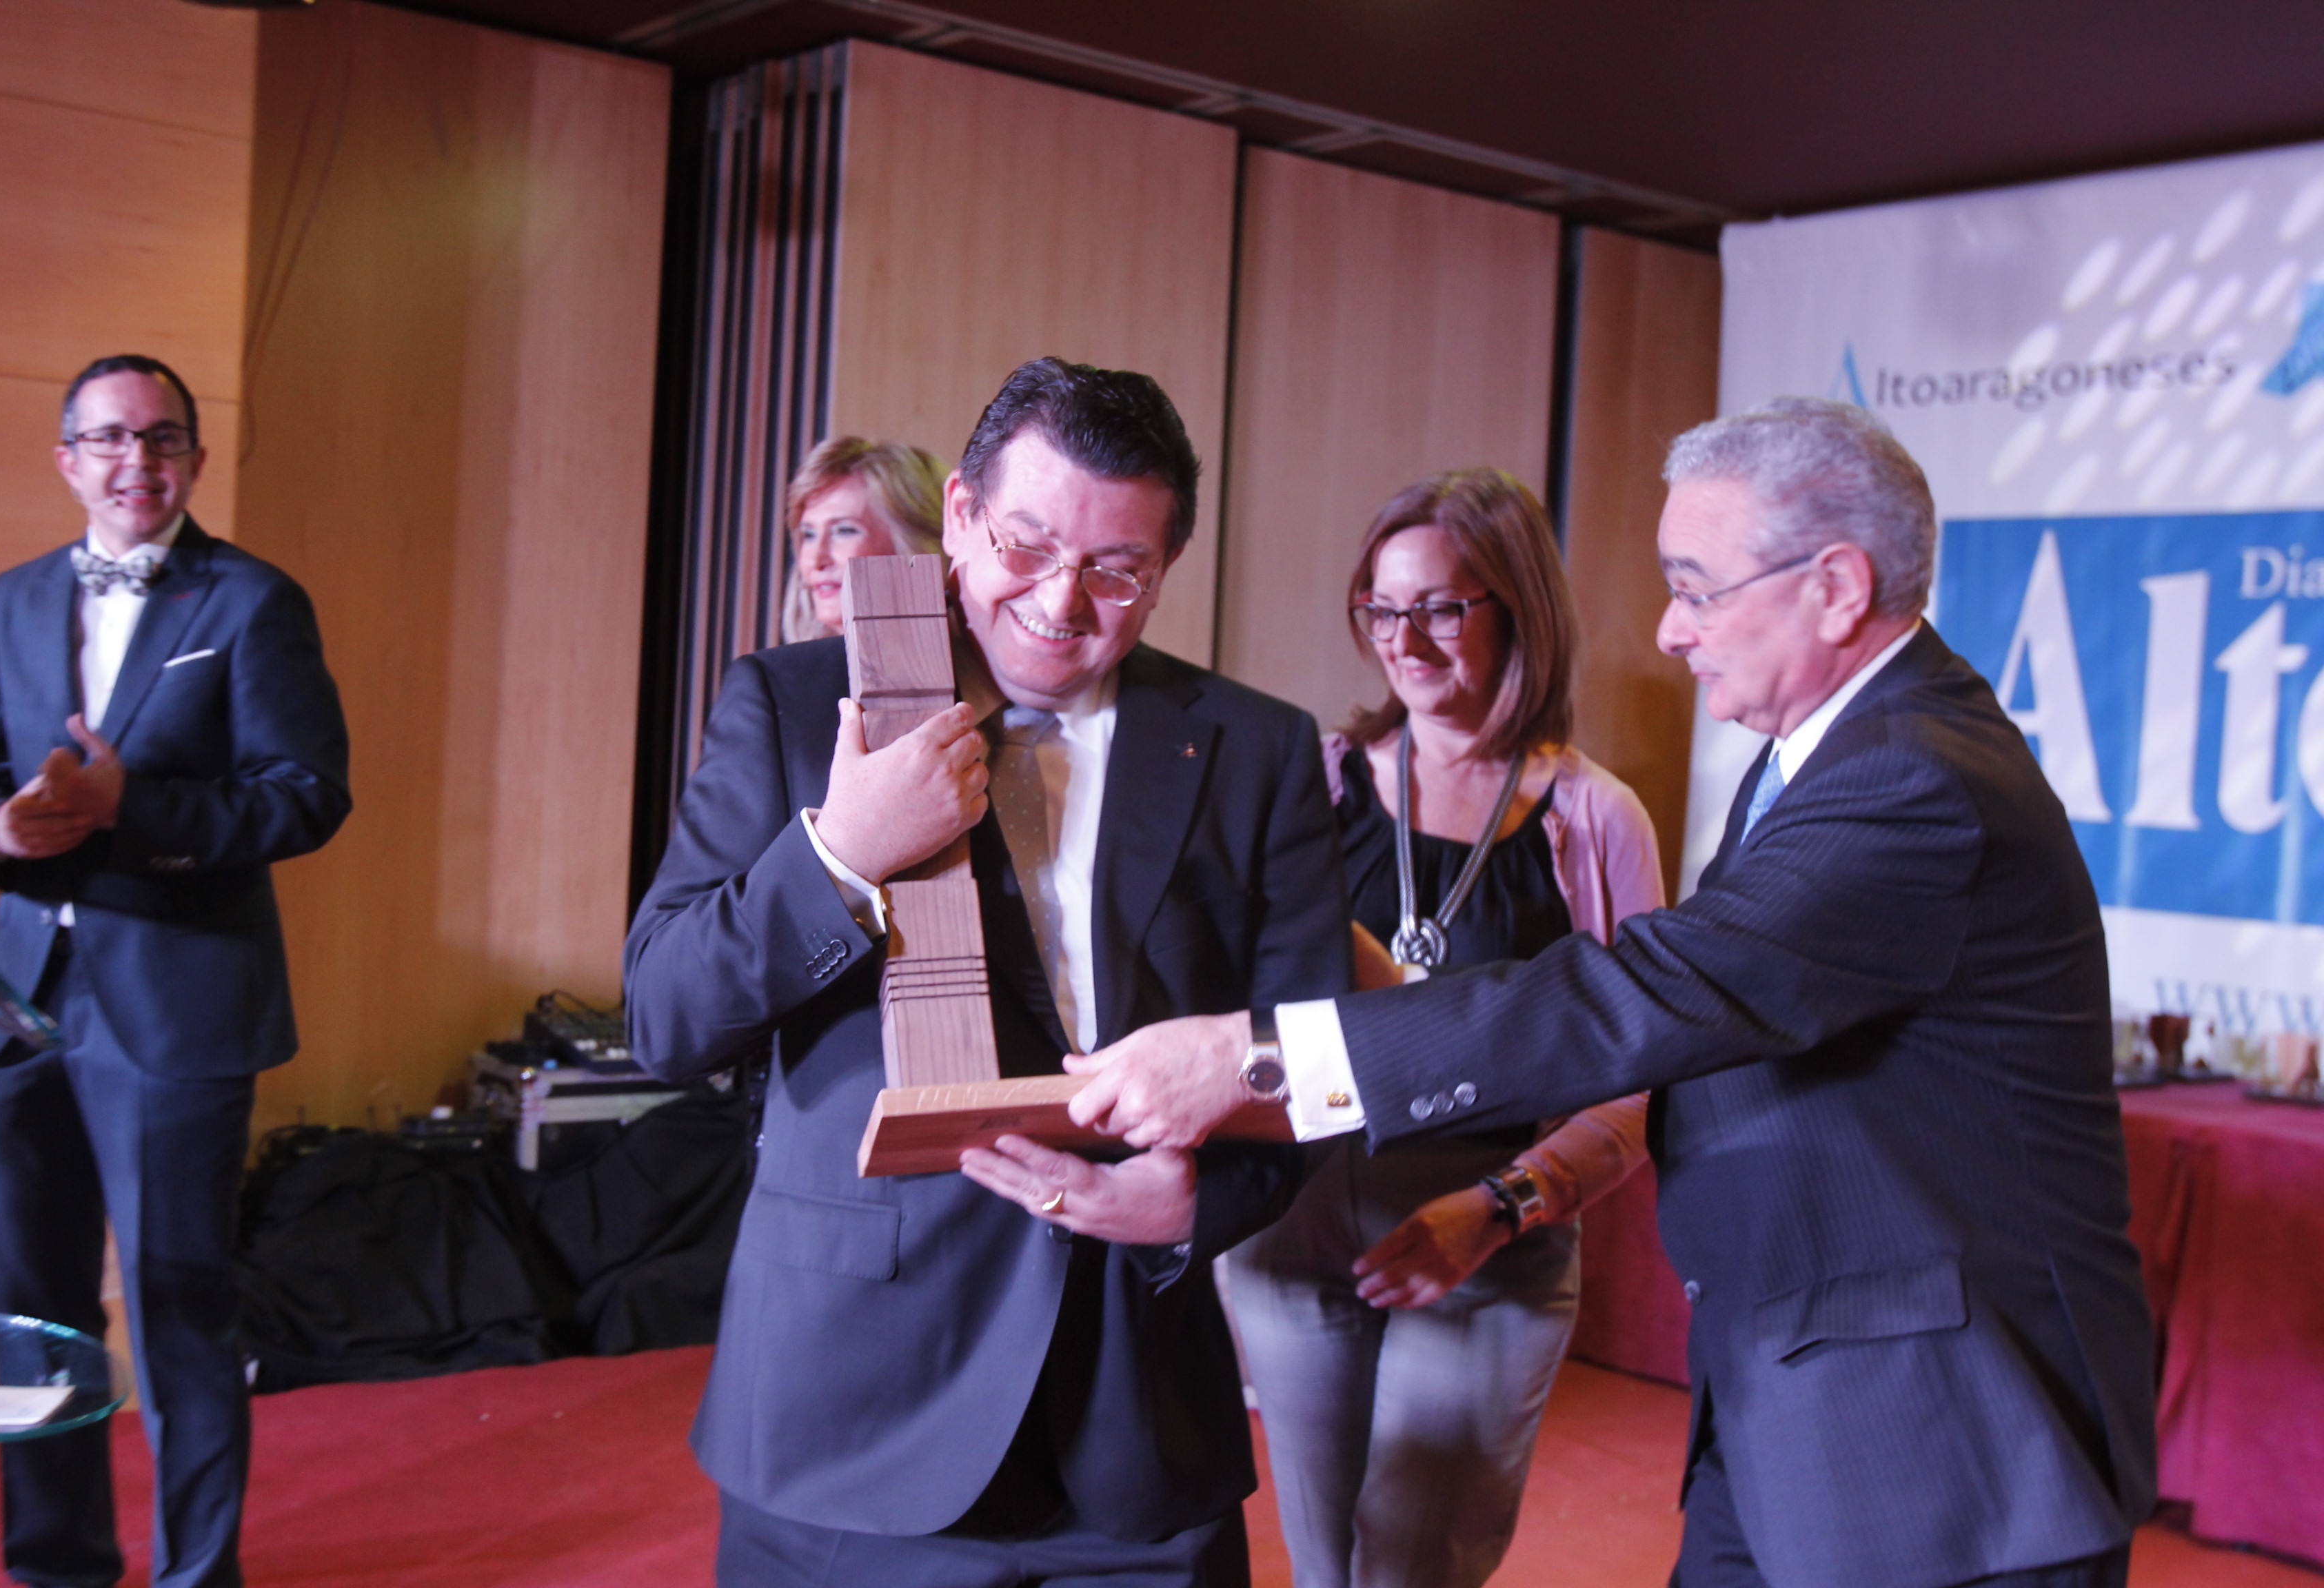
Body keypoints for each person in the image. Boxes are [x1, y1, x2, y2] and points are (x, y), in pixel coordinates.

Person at [1069, 398, 2159, 1588]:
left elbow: (1641, 992)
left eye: (1697, 587)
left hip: (1934, 1440)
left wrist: (1256, 1057)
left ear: (1837, 586)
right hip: (1802, 1396)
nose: (1671, 630)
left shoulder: (1911, 779)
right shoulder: (1831, 752)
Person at [624, 357, 1350, 1587]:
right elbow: (665, 1015)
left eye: (1119, 569)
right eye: (1024, 542)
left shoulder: (1256, 746)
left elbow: (1318, 1044)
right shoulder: (795, 706)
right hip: (852, 1405)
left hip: (1137, 1424)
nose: (1062, 601)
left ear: (1166, 565)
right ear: (959, 511)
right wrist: (842, 852)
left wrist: (1205, 1203)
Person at [0, 355, 351, 1588]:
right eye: (111, 439)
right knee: (37, 1303)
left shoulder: (253, 599)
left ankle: (195, 1576)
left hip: (178, 1007)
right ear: (69, 458)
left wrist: (140, 809)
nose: (139, 461)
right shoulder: (11, 598)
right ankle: (56, 1559)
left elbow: (308, 797)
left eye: (164, 438)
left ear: (194, 459)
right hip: (19, 1007)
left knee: (178, 1305)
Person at [1224, 468, 1663, 1588]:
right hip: (1297, 1212)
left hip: (1490, 1225)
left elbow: (1636, 1081)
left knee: (1413, 1564)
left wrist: (1502, 1205)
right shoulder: (1311, 781)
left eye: (1440, 606)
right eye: (1382, 606)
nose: (1403, 639)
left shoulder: (1594, 818)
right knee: (1324, 1561)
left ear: (1516, 609)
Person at [779, 434, 948, 641]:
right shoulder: (772, 672)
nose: (816, 561)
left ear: (915, 547)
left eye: (844, 531)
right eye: (809, 534)